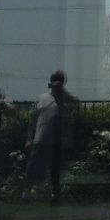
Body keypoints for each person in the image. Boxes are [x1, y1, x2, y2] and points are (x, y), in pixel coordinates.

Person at [25, 70, 78, 199]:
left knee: (55, 169)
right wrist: (29, 138)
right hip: (40, 139)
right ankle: (26, 192)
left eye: (59, 80)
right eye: (55, 79)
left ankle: (55, 193)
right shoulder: (41, 98)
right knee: (32, 167)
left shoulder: (66, 99)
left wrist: (63, 91)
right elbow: (33, 120)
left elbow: (77, 104)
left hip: (57, 141)